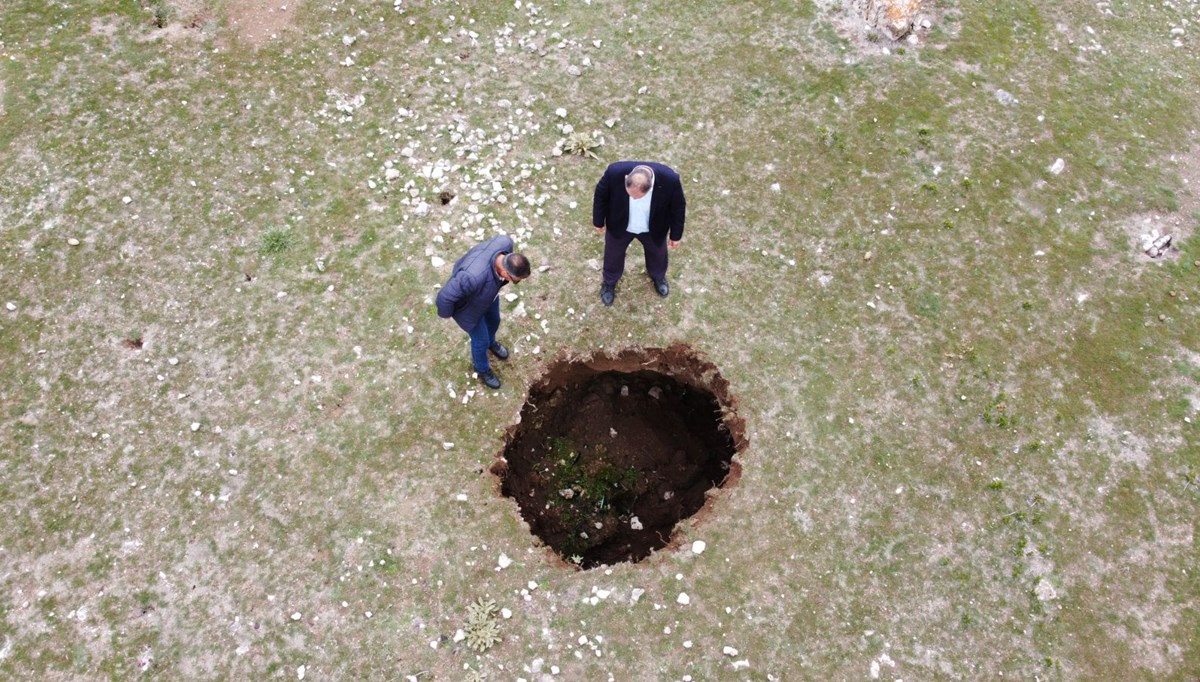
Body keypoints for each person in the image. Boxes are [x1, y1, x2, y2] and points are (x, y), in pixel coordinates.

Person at [436, 235, 531, 389]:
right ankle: (482, 369)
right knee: (480, 341)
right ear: (506, 272)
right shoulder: (472, 277)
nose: (515, 283)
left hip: (488, 295)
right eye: (516, 280)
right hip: (469, 309)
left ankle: (491, 343)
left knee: (494, 321)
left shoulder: (505, 243)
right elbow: (444, 297)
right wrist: (446, 314)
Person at [592, 160, 686, 306]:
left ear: (651, 187)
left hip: (653, 228)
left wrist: (676, 235)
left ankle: (658, 276)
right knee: (612, 255)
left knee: (658, 255)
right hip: (620, 226)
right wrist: (598, 220)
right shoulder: (614, 172)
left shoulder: (670, 180)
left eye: (637, 197)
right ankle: (609, 282)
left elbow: (678, 208)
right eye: (630, 195)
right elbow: (600, 196)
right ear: (626, 179)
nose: (633, 199)